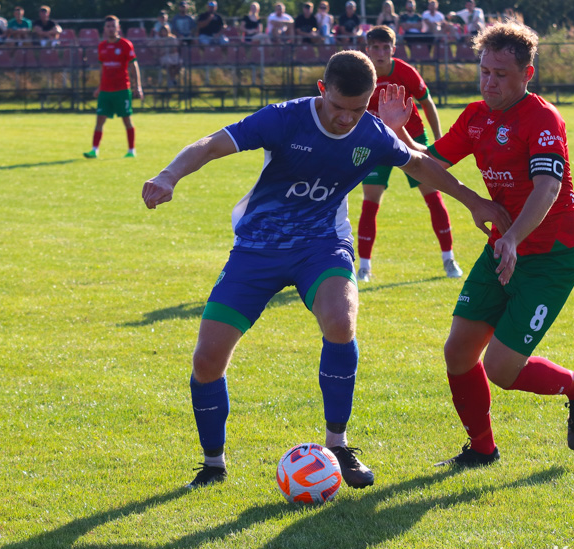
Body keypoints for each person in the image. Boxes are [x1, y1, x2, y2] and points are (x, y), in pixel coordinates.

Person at [141, 50, 509, 489]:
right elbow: (211, 143)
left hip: (322, 246)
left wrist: (475, 201)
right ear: (322, 90)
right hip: (257, 249)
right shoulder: (284, 119)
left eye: (357, 109)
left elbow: (423, 165)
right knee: (207, 359)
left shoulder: (372, 133)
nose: (345, 120)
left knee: (340, 321)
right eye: (337, 107)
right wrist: (168, 175)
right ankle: (213, 464)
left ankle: (338, 445)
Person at [378, 20, 574, 467]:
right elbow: (427, 165)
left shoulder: (542, 119)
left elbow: (547, 188)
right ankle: (482, 449)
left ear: (527, 75)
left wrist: (515, 237)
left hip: (550, 257)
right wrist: (398, 132)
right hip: (504, 247)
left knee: (502, 369)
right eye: (484, 71)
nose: (489, 81)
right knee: (458, 352)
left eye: (501, 74)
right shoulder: (476, 117)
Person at [357, 26, 461, 282]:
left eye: (385, 48)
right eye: (375, 48)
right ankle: (364, 267)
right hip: (377, 142)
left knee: (434, 197)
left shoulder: (404, 71)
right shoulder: (360, 75)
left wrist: (438, 142)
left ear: (393, 50)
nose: (380, 53)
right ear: (367, 50)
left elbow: (427, 102)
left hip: (412, 139)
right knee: (370, 202)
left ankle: (449, 259)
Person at [84, 16, 143, 160]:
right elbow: (102, 68)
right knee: (99, 120)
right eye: (108, 26)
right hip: (105, 90)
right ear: (104, 29)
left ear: (118, 28)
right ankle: (94, 150)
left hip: (122, 89)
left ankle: (131, 150)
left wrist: (138, 86)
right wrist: (99, 87)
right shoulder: (101, 46)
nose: (111, 29)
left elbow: (133, 65)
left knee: (127, 120)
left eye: (113, 26)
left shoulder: (125, 44)